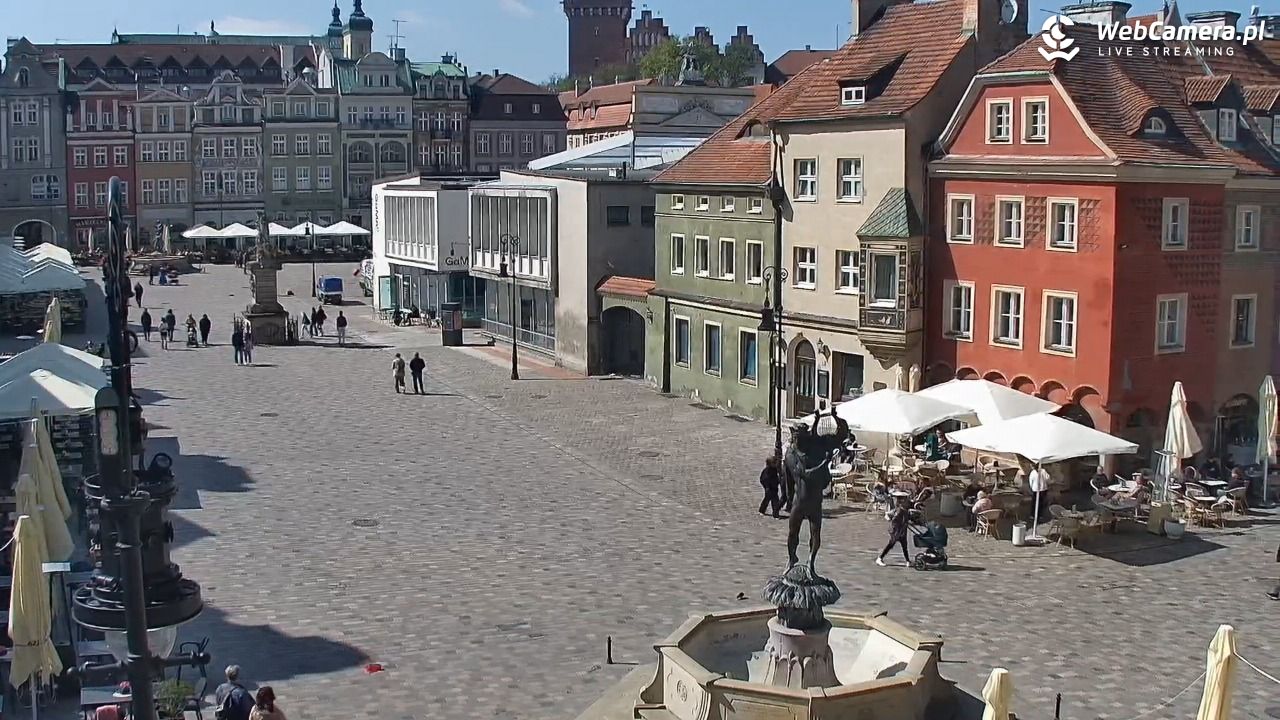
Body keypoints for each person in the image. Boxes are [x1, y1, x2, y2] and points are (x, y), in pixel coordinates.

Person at [877, 498, 912, 567]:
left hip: (902, 531)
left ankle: (908, 561)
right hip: (895, 531)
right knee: (891, 545)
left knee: (904, 546)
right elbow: (891, 517)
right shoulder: (898, 511)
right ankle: (880, 558)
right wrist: (891, 520)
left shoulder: (906, 512)